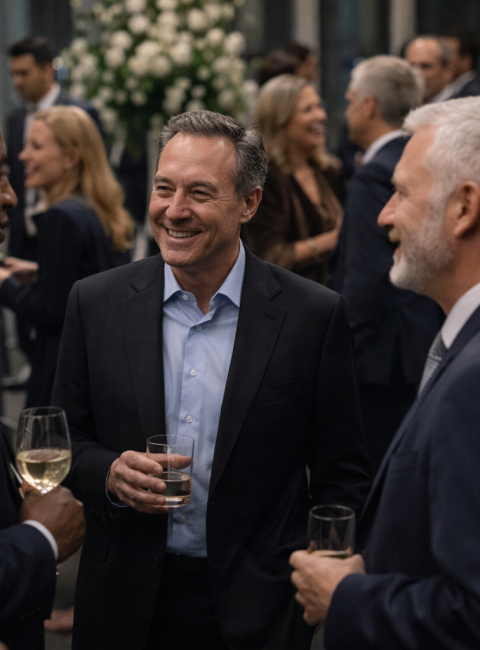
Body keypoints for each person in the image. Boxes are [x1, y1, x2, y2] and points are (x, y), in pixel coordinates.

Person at [51, 110, 371, 650]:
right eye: (164, 188)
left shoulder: (311, 316)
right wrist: (110, 474)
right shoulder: (96, 302)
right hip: (123, 605)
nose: (174, 210)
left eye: (199, 192)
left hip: (258, 612)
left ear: (249, 202)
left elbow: (343, 477)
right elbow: (64, 443)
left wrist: (312, 595)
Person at [290, 96, 480, 648]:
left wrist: (347, 596)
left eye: (401, 193)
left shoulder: (472, 383)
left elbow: (470, 614)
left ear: (464, 207)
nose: (383, 215)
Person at [330, 55, 444, 472]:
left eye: (349, 101)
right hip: (419, 341)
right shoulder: (420, 159)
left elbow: (366, 278)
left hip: (383, 357)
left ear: (369, 106)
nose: (345, 112)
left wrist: (344, 356)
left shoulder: (375, 172)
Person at [0, 130, 85, 650]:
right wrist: (40, 538)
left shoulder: (62, 217)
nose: (10, 194)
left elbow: (54, 304)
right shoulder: (83, 212)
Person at [0, 106, 134, 407]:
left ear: (71, 158)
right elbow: (95, 281)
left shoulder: (61, 217)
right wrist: (41, 272)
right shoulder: (98, 211)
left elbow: (49, 311)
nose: (23, 156)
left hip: (59, 375)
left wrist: (5, 282)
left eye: (36, 146)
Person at [6, 36, 104, 263]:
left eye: (24, 73)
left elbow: (96, 172)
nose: (17, 81)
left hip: (69, 232)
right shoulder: (15, 119)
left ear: (48, 71)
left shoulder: (79, 114)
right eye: (13, 74)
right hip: (24, 240)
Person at [242, 75, 342, 285]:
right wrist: (332, 240)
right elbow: (268, 256)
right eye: (307, 110)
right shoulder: (264, 180)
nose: (321, 116)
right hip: (287, 298)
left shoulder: (327, 171)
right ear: (279, 119)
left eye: (319, 107)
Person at [405, 35, 454, 103]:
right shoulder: (404, 106)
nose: (415, 73)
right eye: (410, 66)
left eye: (425, 66)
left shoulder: (461, 108)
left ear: (447, 71)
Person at [441, 29, 480, 99]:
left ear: (466, 61)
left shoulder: (473, 94)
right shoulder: (456, 90)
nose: (443, 60)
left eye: (449, 55)